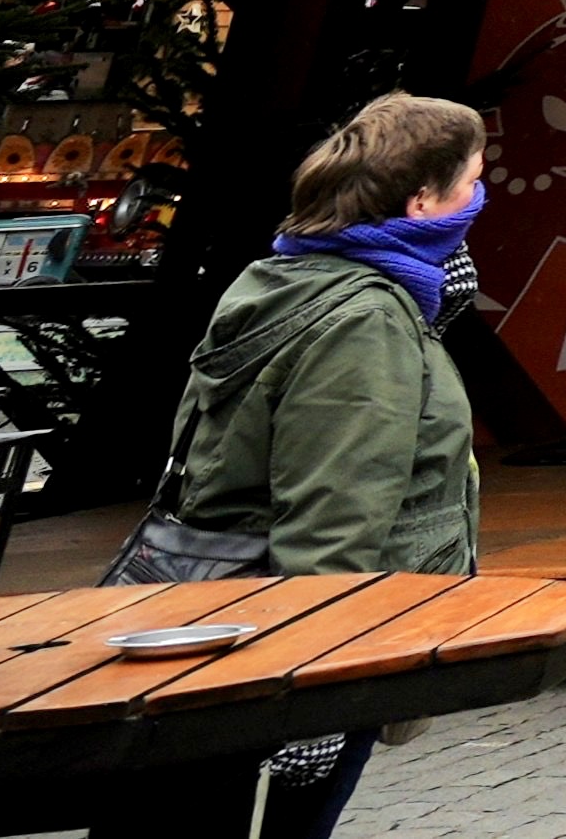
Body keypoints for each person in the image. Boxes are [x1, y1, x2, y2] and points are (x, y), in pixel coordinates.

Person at [141, 91, 491, 839]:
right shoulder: (365, 321)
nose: (481, 197)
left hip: (242, 613)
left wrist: (423, 318)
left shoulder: (287, 273)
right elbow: (337, 509)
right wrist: (317, 694)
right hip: (322, 628)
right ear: (424, 201)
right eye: (471, 181)